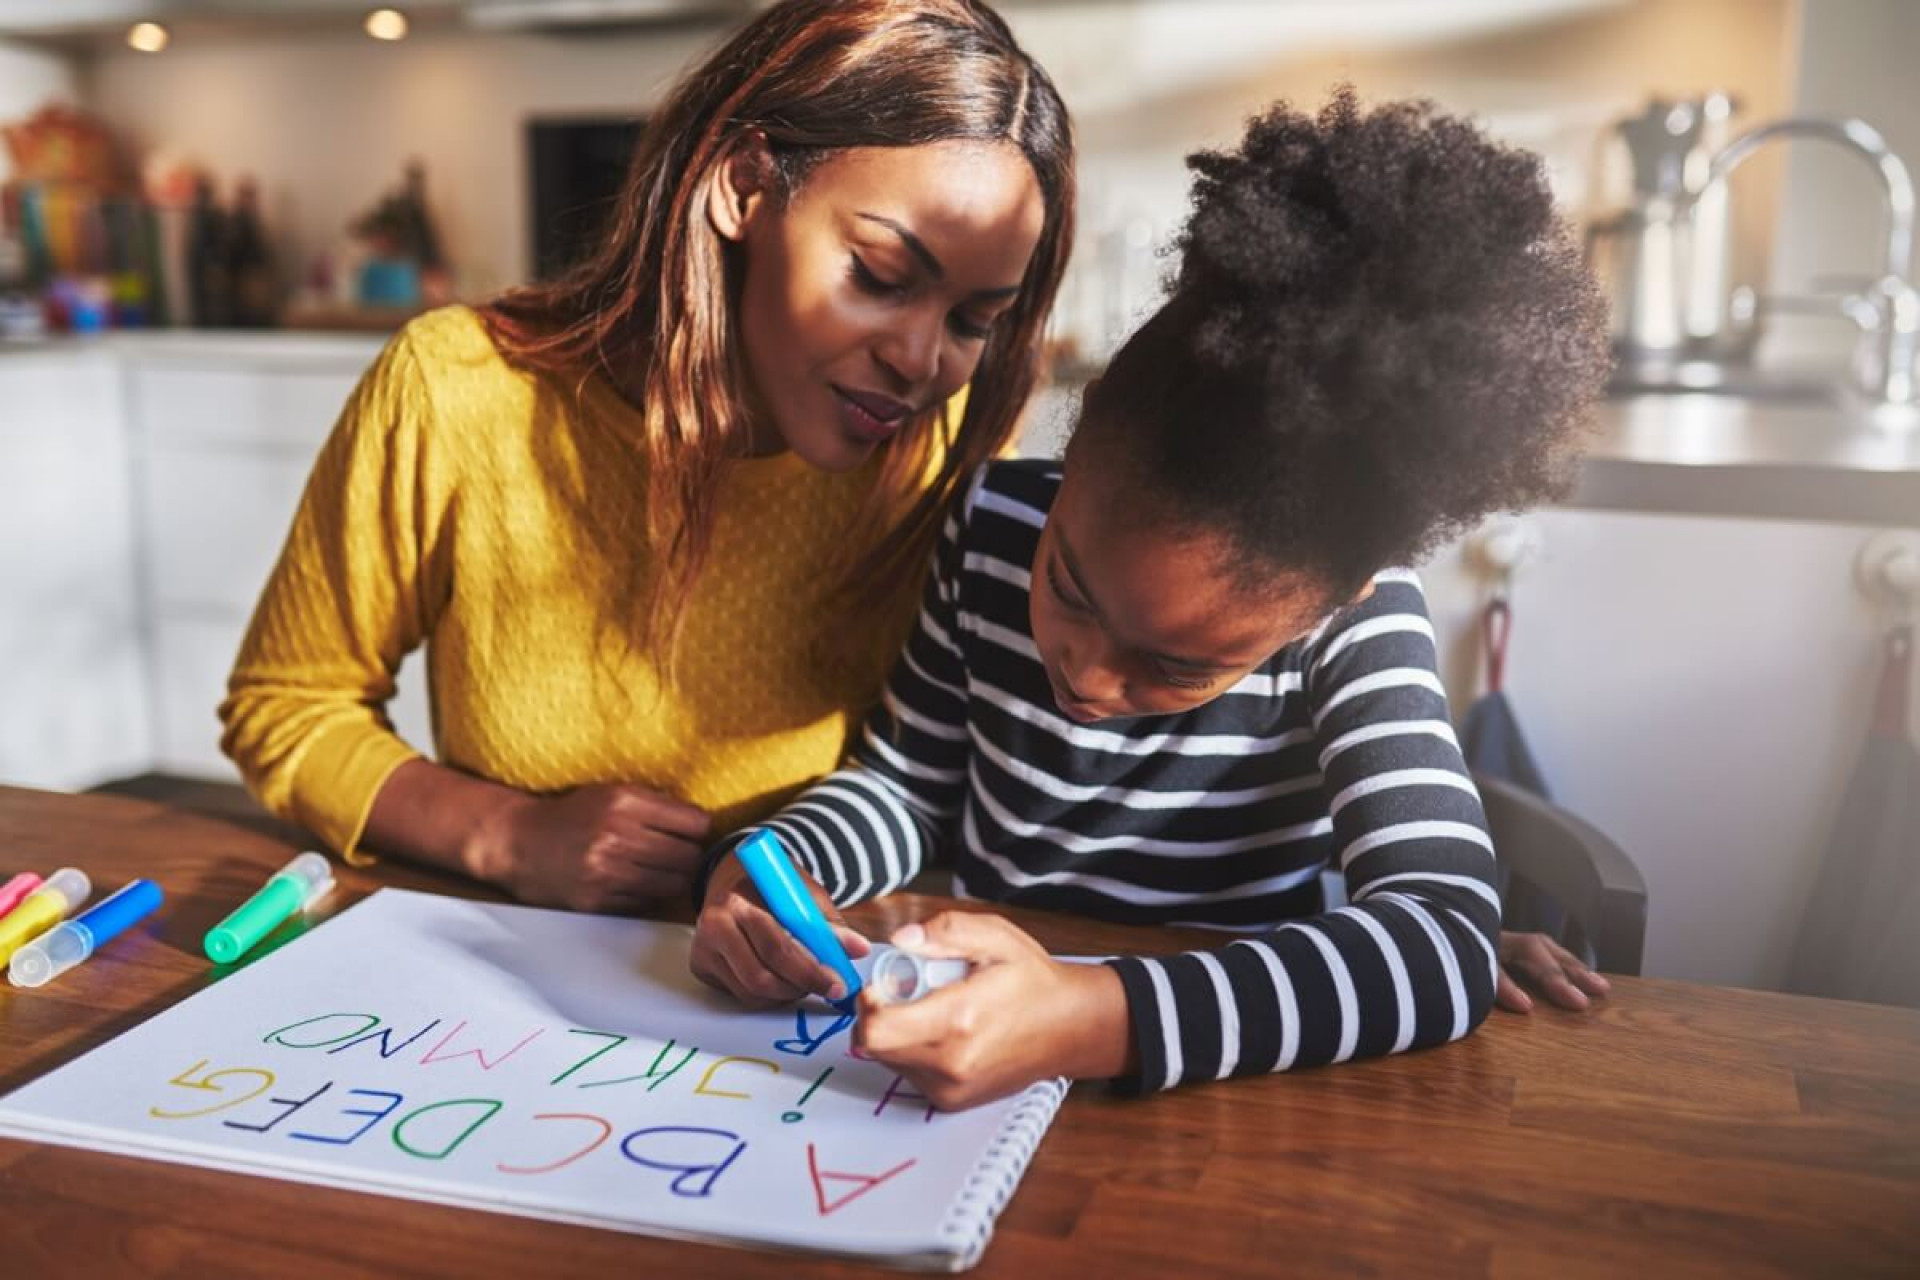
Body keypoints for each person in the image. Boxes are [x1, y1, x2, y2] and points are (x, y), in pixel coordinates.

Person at [690, 89, 1613, 1105]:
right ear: (1078, 438)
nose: (1085, 674)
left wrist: (1088, 1015)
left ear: (1327, 601)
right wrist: (778, 861)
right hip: (972, 1064)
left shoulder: (1358, 621)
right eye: (1069, 587)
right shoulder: (990, 520)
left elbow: (1442, 938)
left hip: (1218, 1095)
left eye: (1175, 665)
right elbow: (907, 786)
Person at [218, 0, 1075, 914]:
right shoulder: (456, 390)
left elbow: (943, 772)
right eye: (879, 276)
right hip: (513, 953)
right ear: (744, 187)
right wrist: (507, 834)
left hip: (813, 971)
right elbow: (287, 705)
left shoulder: (945, 440)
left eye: (974, 320)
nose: (919, 359)